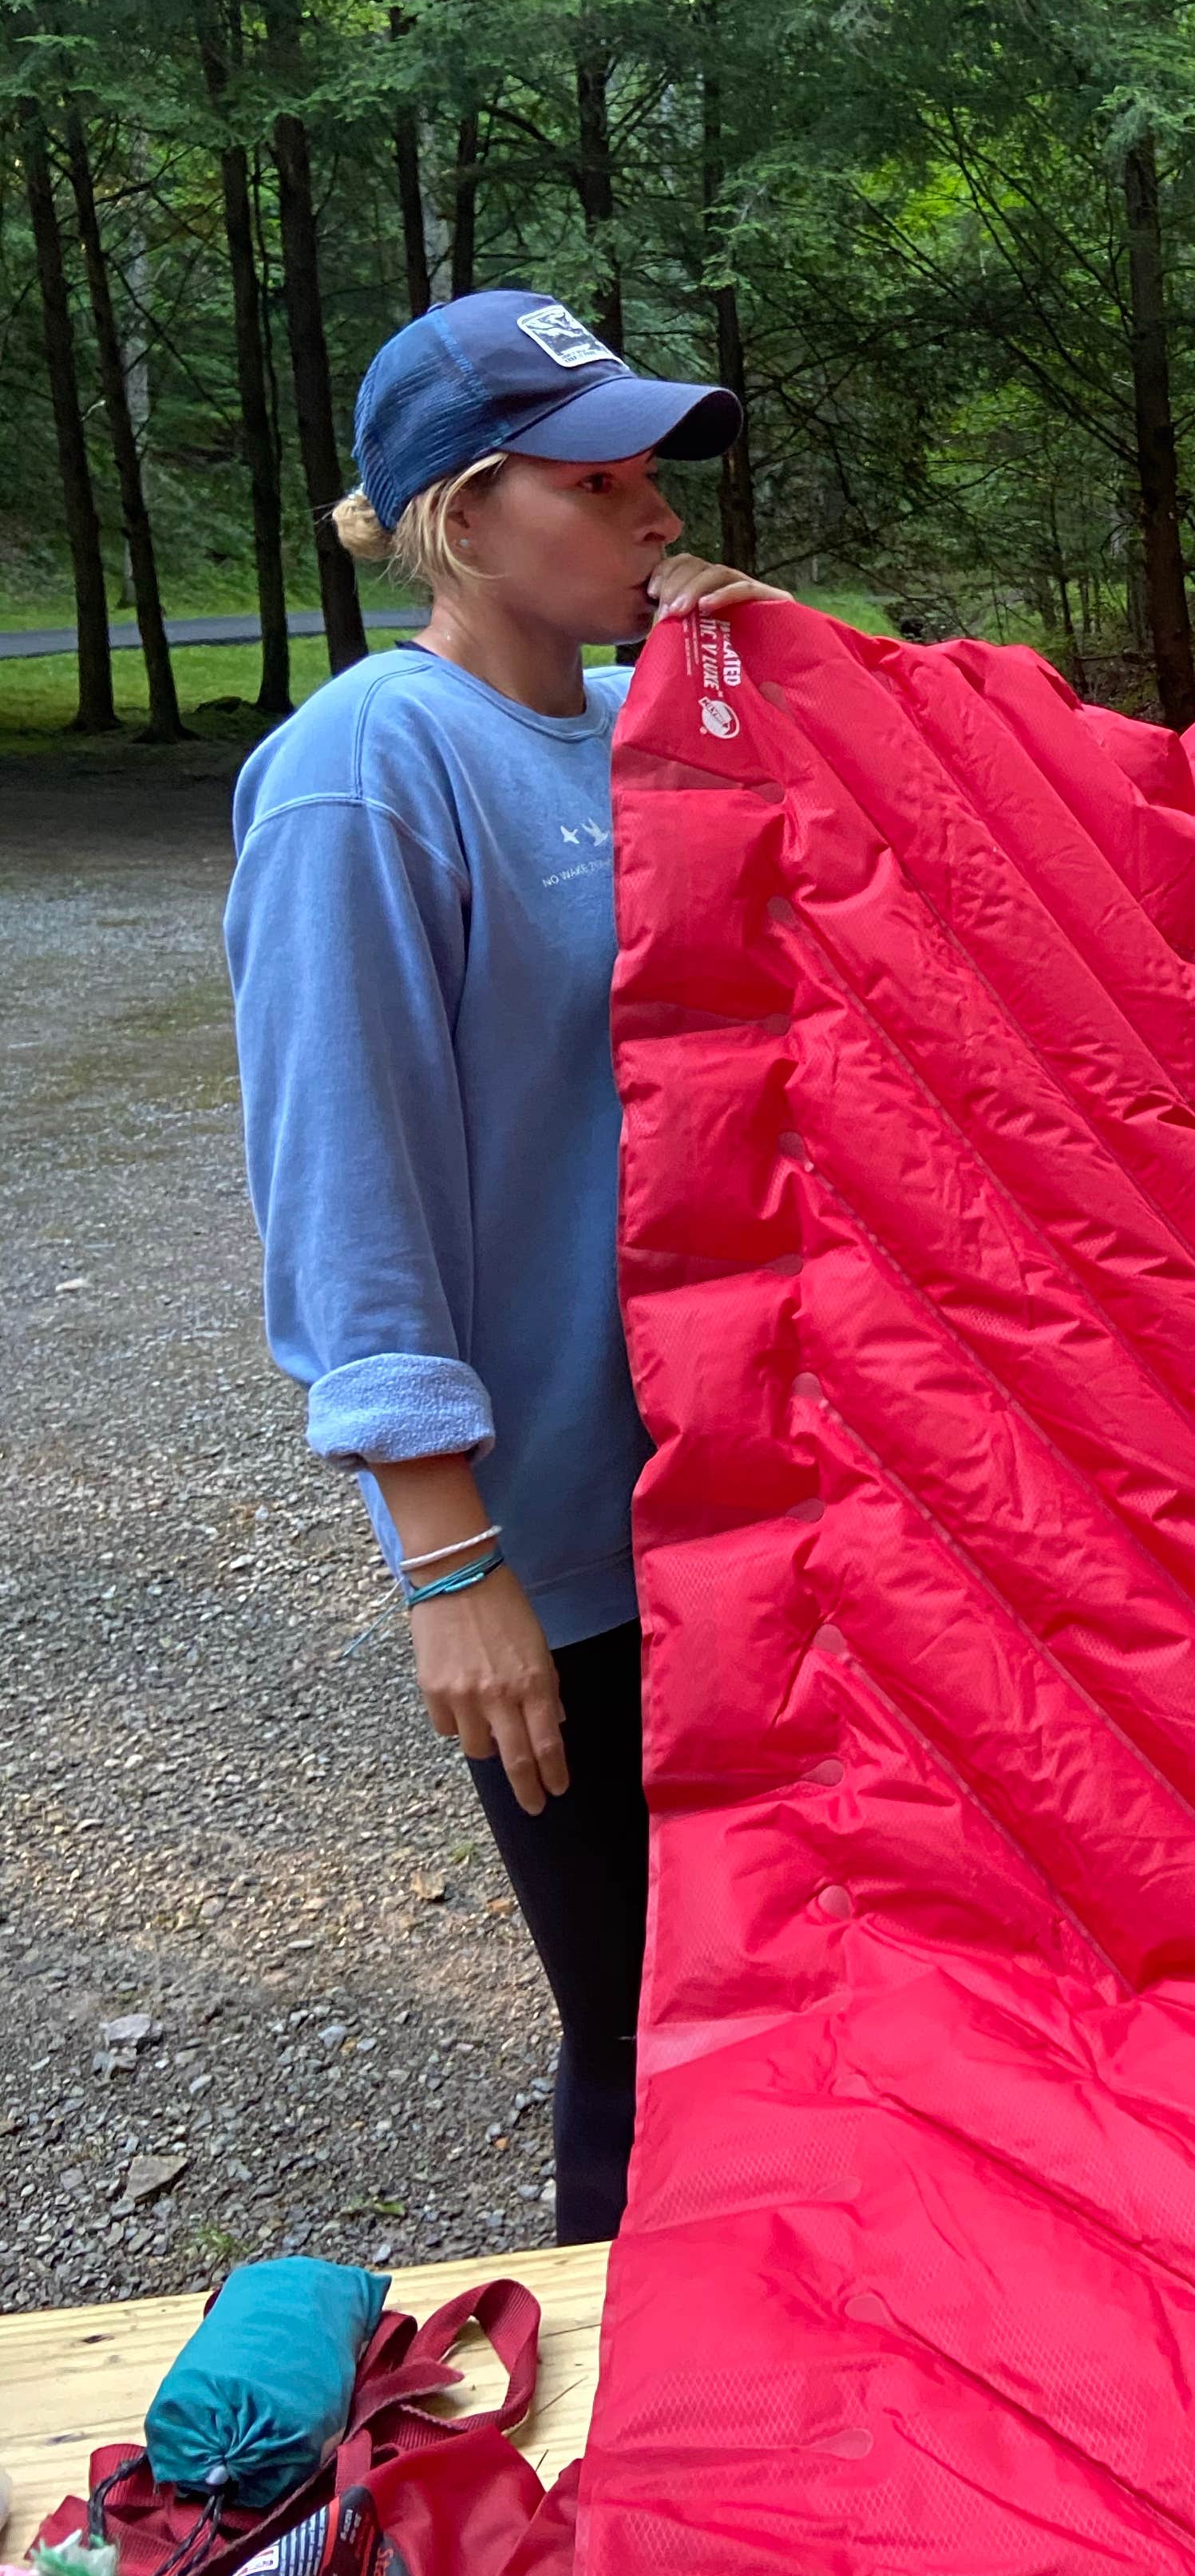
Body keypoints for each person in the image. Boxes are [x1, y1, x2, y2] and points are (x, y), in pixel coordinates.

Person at [224, 288, 797, 2243]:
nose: (655, 515)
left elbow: (983, 847)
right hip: (559, 1544)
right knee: (648, 2036)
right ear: (467, 518)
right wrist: (452, 1562)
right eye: (600, 479)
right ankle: (644, 2480)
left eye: (657, 477)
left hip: (743, 1496)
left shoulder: (651, 734)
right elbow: (343, 1182)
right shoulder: (365, 772)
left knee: (789, 2015)